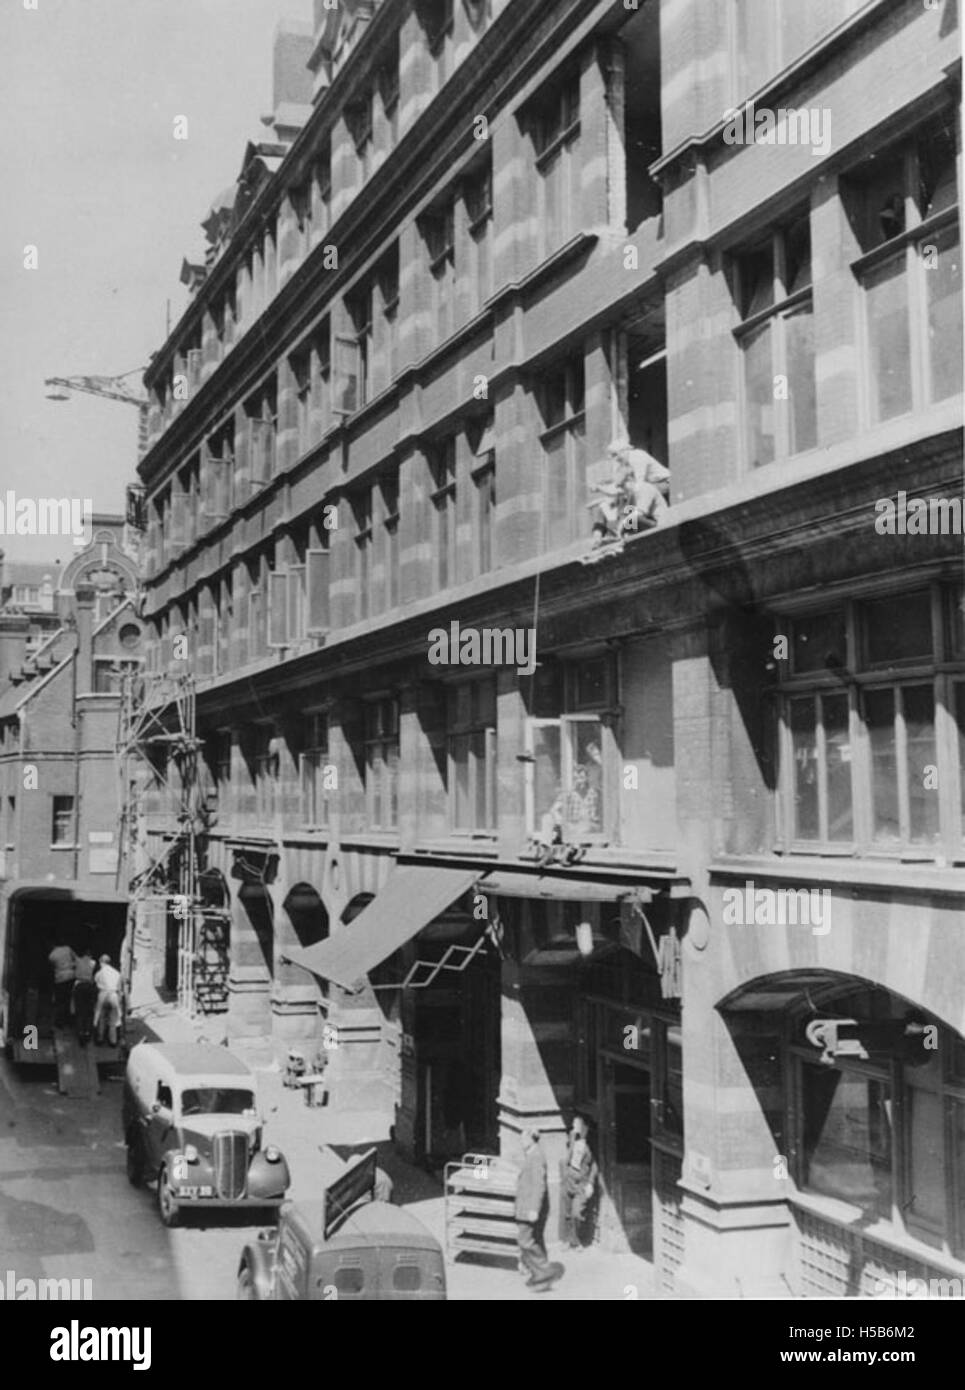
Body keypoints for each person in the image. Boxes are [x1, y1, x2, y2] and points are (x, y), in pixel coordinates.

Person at [515, 1128, 563, 1292]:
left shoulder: (536, 1157)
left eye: (523, 1138)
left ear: (531, 1138)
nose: (521, 1142)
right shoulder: (533, 1154)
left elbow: (539, 1185)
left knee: (525, 1241)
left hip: (530, 1210)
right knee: (535, 1239)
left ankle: (544, 1271)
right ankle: (540, 1277)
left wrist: (534, 1209)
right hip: (529, 1207)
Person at [560, 1115, 599, 1250]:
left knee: (577, 1213)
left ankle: (578, 1240)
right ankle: (568, 1240)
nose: (575, 1128)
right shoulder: (572, 1137)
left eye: (578, 1125)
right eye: (574, 1125)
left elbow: (594, 1165)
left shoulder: (591, 1144)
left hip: (582, 1182)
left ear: (586, 1128)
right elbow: (567, 1158)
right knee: (567, 1212)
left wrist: (590, 1183)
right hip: (569, 1179)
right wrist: (565, 1174)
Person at [93, 954, 123, 1047]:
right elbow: (119, 987)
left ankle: (100, 1039)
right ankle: (113, 1041)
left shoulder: (99, 973)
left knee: (101, 1018)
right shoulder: (116, 973)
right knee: (113, 1020)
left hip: (103, 995)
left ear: (102, 962)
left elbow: (96, 984)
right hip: (113, 995)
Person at [48, 939, 78, 1027]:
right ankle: (70, 1021)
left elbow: (52, 967)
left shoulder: (51, 955)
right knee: (70, 999)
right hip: (71, 976)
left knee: (60, 1001)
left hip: (60, 979)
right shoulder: (68, 949)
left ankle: (60, 1022)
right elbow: (76, 959)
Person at [72, 949, 97, 1045]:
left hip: (79, 986)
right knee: (89, 1011)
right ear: (90, 956)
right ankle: (87, 1032)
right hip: (89, 986)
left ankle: (80, 1032)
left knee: (79, 1011)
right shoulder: (92, 962)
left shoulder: (78, 960)